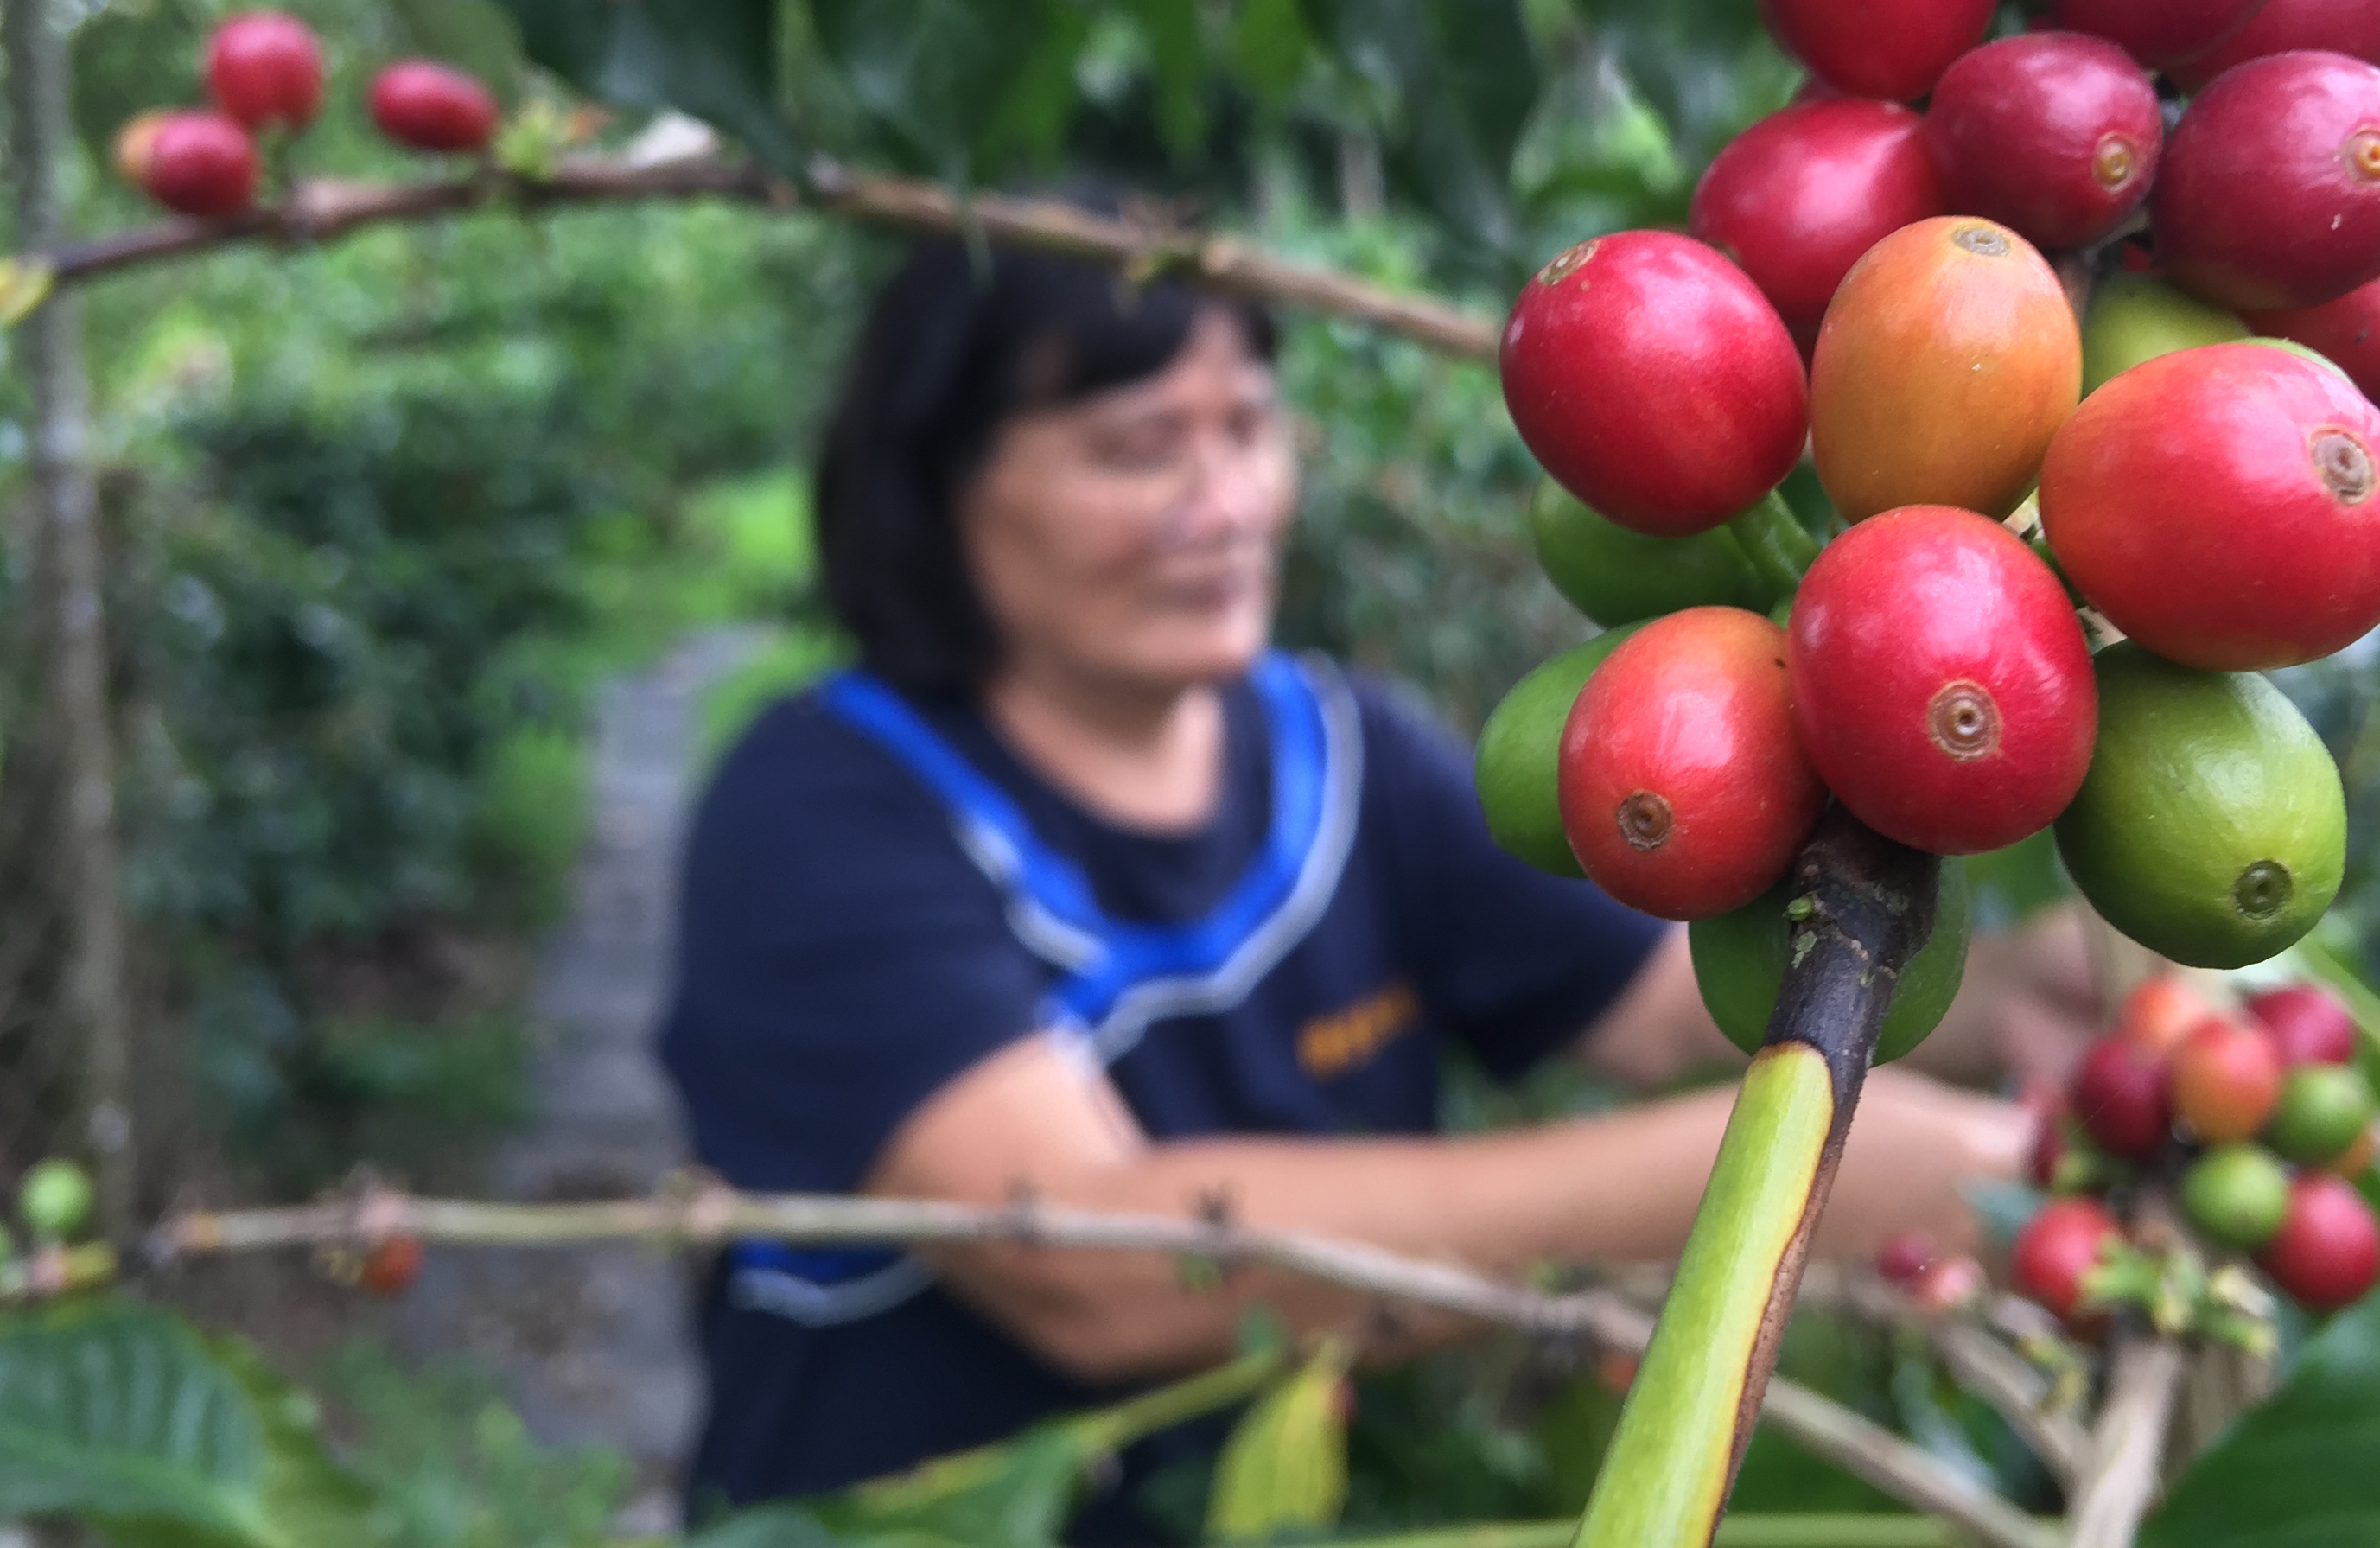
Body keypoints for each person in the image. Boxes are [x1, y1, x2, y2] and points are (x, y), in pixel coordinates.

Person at [660, 233, 2096, 1532]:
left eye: (1244, 429)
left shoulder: (1338, 751)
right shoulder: (820, 808)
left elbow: (1664, 998)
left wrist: (2012, 995)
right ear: (940, 485)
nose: (1220, 503)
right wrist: (1757, 1186)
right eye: (1138, 447)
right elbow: (1086, 1261)